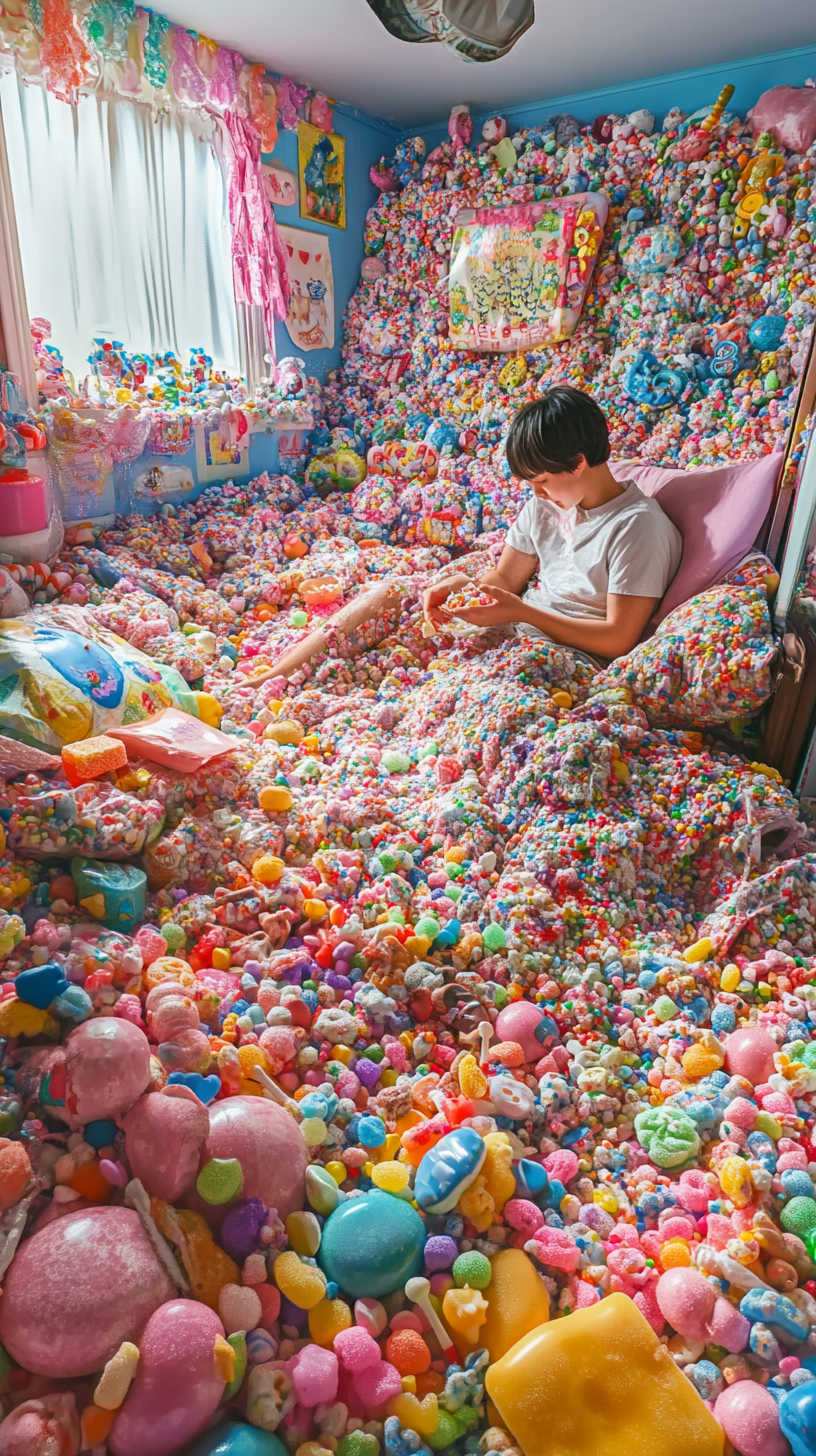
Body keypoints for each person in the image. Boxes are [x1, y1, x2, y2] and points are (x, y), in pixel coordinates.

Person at [423, 386, 682, 662]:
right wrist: (459, 589)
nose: (536, 494)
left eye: (542, 481)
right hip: (517, 634)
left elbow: (617, 638)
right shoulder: (543, 508)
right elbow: (506, 579)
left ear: (578, 463)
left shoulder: (637, 527)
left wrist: (523, 613)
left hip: (569, 657)